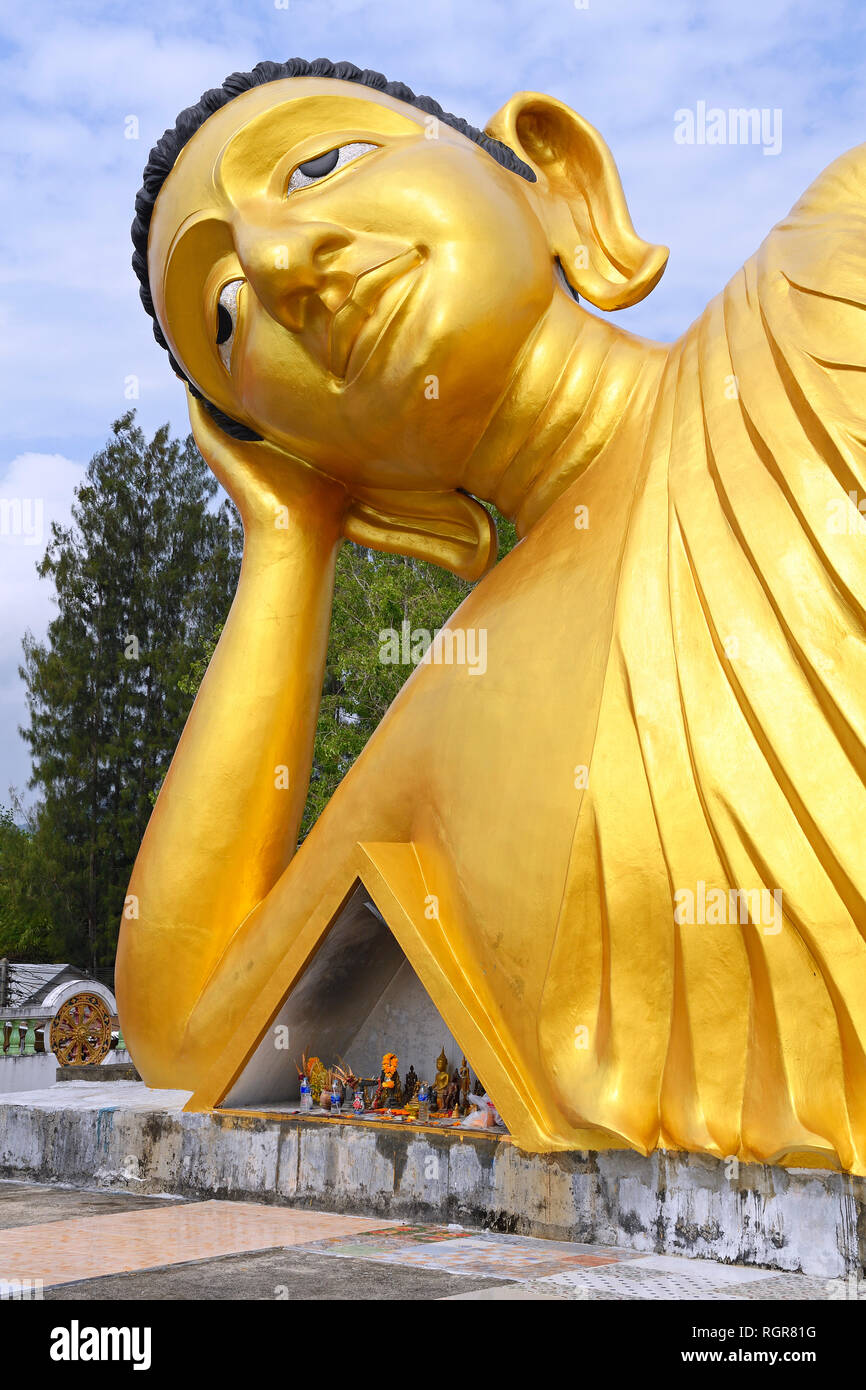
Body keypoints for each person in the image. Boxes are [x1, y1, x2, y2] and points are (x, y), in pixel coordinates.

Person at [117, 57, 866, 1175]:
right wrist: (288, 544)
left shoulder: (836, 264)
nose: (279, 266)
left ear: (555, 180)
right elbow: (187, 1031)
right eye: (225, 319)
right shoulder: (450, 704)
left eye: (322, 163)